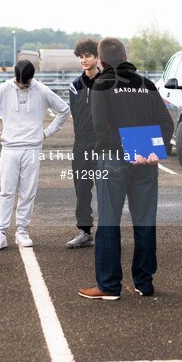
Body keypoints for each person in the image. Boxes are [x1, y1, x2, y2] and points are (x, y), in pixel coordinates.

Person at [77, 38, 174, 300]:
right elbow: (167, 124)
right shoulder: (147, 84)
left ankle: (108, 286)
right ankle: (144, 282)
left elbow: (102, 128)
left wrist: (129, 150)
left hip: (113, 160)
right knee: (145, 223)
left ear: (101, 60)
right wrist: (151, 150)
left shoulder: (101, 84)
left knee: (109, 222)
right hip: (146, 162)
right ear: (126, 55)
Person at [0, 59, 70, 250]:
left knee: (28, 191)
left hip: (33, 148)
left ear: (31, 78)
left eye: (25, 83)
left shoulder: (42, 90)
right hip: (9, 147)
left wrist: (46, 132)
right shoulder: (4, 88)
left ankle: (22, 231)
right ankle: (0, 233)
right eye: (19, 82)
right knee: (6, 191)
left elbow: (64, 110)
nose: (21, 86)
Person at [66, 38, 100, 248]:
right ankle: (85, 232)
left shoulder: (107, 84)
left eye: (88, 55)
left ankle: (107, 233)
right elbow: (75, 115)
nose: (84, 60)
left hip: (103, 146)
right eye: (81, 56)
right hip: (81, 147)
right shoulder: (74, 86)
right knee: (82, 189)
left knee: (106, 189)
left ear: (97, 57)